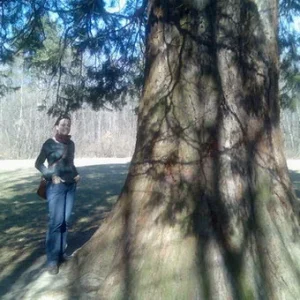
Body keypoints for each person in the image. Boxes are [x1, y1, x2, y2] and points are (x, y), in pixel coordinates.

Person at [35, 115, 80, 275]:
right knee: (55, 222)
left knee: (65, 222)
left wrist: (76, 174)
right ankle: (52, 260)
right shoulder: (49, 144)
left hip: (70, 186)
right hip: (56, 187)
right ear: (56, 126)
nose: (65, 127)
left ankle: (61, 254)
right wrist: (50, 175)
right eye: (62, 124)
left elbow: (70, 163)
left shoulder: (71, 144)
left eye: (68, 125)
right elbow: (38, 163)